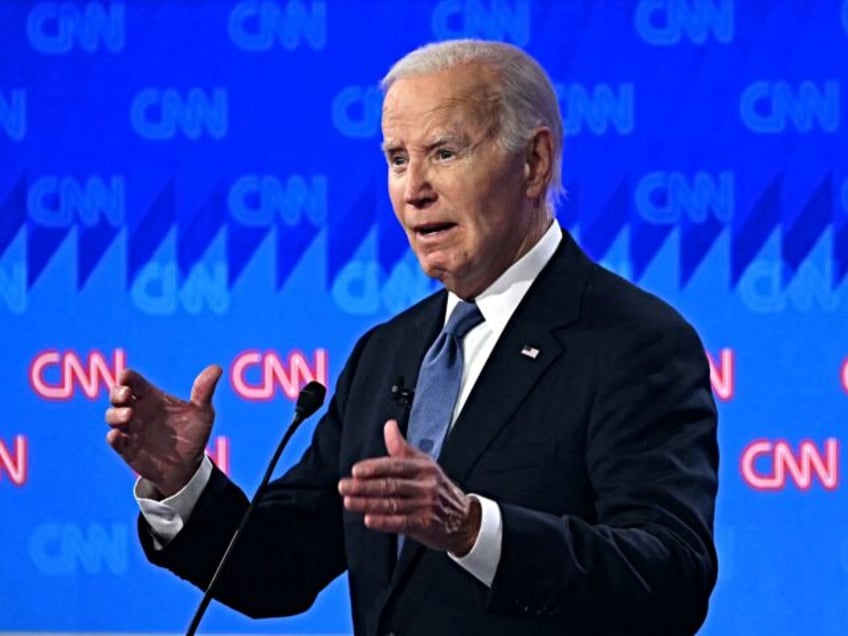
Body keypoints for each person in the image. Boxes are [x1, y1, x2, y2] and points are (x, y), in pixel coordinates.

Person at [106, 39, 718, 636]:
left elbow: (669, 580)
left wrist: (473, 529)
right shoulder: (387, 352)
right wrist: (184, 484)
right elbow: (281, 568)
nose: (413, 188)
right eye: (398, 158)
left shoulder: (635, 343)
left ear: (533, 163)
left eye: (445, 153)